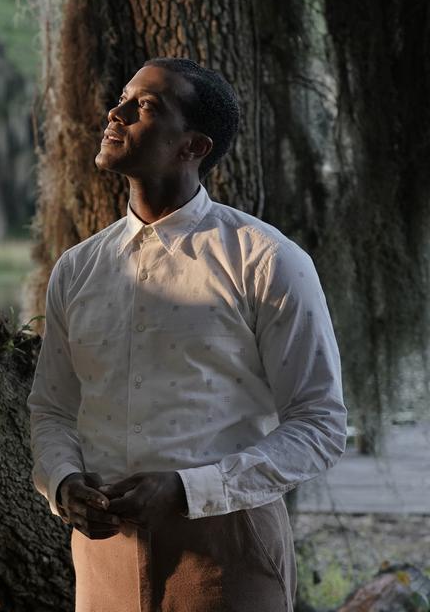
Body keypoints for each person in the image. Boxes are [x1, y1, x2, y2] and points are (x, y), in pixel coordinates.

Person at [27, 58, 347, 611]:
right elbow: (52, 410)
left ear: (193, 146)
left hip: (229, 552)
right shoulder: (78, 269)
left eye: (145, 106)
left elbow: (320, 425)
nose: (116, 112)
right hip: (102, 560)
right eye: (123, 97)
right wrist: (61, 483)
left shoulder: (266, 261)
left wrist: (186, 490)